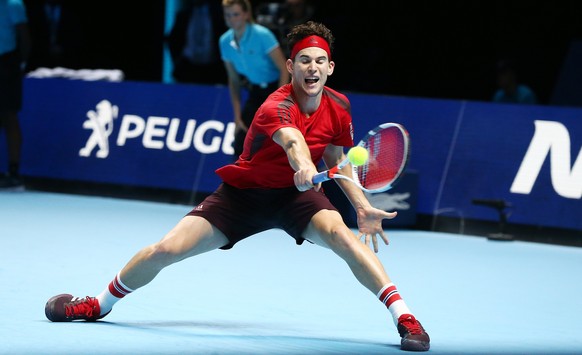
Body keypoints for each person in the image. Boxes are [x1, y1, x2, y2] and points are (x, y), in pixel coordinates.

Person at [44, 21, 430, 352]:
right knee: (165, 250)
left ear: (330, 67)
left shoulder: (339, 107)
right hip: (244, 196)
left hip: (297, 199)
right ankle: (98, 304)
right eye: (304, 61)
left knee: (345, 240)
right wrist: (300, 167)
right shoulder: (274, 107)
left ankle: (405, 317)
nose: (312, 68)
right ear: (291, 66)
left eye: (319, 61)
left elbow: (335, 159)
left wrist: (360, 206)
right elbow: (295, 144)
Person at [219, 0, 289, 159]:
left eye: (235, 14)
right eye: (227, 15)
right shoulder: (224, 41)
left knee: (280, 143)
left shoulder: (262, 35)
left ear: (246, 14)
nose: (231, 19)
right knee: (240, 141)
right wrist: (237, 116)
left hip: (278, 90)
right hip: (256, 92)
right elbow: (234, 80)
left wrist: (278, 103)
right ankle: (236, 182)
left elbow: (284, 69)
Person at [0, 0, 31, 190]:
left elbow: (25, 37)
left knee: (9, 116)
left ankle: (13, 171)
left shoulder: (13, 4)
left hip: (6, 65)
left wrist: (20, 65)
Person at [166, 0, 227, 84]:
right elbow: (173, 40)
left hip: (213, 69)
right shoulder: (183, 14)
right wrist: (177, 61)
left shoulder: (219, 15)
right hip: (188, 68)